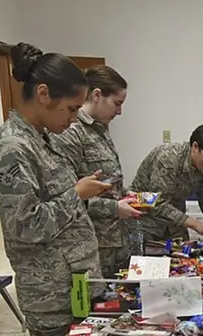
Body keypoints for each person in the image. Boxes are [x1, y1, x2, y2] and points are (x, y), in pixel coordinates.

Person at [0, 42, 111, 336]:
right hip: (52, 297)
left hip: (76, 284)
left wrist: (83, 194)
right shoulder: (12, 147)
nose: (74, 118)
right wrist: (76, 194)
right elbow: (25, 225)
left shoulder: (43, 139)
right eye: (71, 108)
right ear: (44, 94)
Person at [56, 65, 142, 278]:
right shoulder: (71, 132)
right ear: (96, 95)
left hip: (116, 238)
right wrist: (114, 208)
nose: (119, 112)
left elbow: (107, 182)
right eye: (117, 103)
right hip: (93, 244)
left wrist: (127, 196)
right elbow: (67, 197)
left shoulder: (99, 129)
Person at [129, 124, 203, 242]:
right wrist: (195, 224)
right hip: (145, 220)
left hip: (174, 222)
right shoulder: (169, 158)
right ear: (195, 147)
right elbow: (157, 203)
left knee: (185, 252)